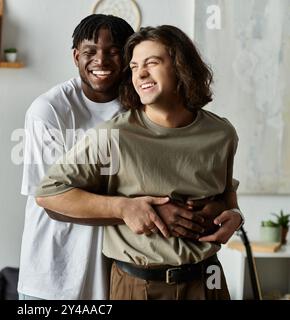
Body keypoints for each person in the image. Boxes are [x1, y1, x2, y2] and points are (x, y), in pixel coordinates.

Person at [35, 25, 244, 300]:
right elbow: (49, 193)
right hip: (138, 284)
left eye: (152, 63)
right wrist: (124, 207)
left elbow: (226, 195)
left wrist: (235, 216)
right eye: (134, 67)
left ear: (181, 66)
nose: (140, 74)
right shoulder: (115, 135)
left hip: (209, 281)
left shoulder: (221, 133)